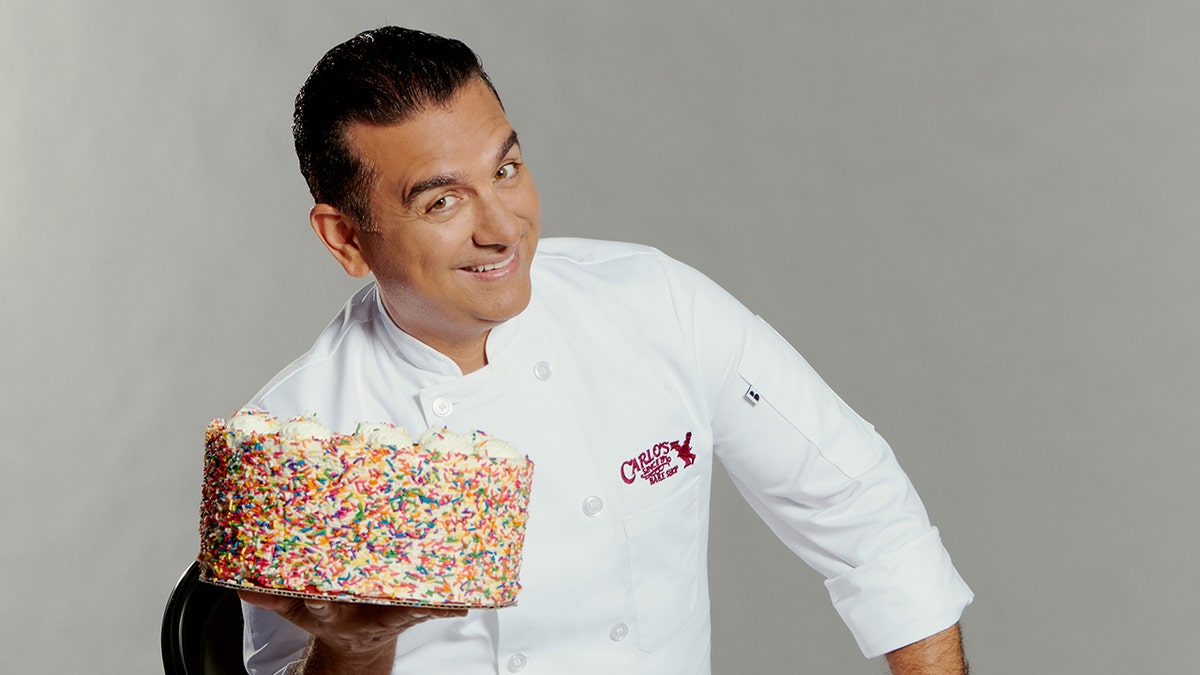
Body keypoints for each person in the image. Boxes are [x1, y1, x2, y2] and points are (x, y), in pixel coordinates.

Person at [236, 26, 974, 675]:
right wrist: (354, 652)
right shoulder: (296, 439)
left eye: (505, 170)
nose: (504, 228)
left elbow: (862, 507)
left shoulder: (654, 306)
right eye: (442, 201)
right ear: (346, 238)